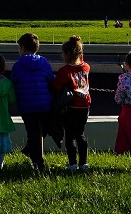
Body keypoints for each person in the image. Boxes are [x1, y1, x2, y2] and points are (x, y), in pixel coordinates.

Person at [11, 32, 53, 172]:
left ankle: (37, 162)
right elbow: (50, 80)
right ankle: (34, 155)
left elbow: (14, 83)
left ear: (22, 48)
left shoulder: (17, 66)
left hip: (26, 105)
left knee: (33, 132)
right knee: (42, 131)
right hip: (44, 104)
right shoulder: (44, 62)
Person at [52, 35, 90, 171]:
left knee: (70, 136)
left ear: (67, 54)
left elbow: (56, 87)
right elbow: (81, 61)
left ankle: (73, 164)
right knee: (81, 134)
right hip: (85, 105)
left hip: (71, 106)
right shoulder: (86, 67)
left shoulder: (64, 71)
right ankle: (84, 163)